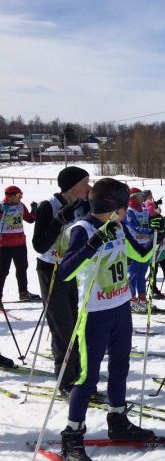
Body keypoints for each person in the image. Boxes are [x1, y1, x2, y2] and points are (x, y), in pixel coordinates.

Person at [57, 178, 159, 461]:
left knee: (120, 366)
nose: (129, 211)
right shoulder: (83, 229)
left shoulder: (117, 226)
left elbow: (141, 255)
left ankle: (117, 420)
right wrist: (90, 247)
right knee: (88, 377)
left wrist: (156, 234)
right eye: (126, 206)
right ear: (113, 207)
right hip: (94, 314)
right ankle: (72, 436)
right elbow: (64, 272)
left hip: (120, 308)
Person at [31, 166, 91, 393]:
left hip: (71, 270)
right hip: (50, 270)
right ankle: (65, 379)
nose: (88, 186)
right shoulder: (49, 205)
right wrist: (57, 222)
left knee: (76, 322)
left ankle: (76, 370)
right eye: (85, 182)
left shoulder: (82, 205)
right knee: (61, 326)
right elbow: (39, 245)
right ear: (73, 185)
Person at [0, 185, 40, 308]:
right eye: (18, 195)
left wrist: (34, 210)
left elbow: (30, 219)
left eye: (21, 195)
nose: (21, 197)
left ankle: (23, 292)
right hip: (4, 246)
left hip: (20, 244)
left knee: (22, 269)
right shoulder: (1, 207)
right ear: (10, 196)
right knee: (2, 271)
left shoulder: (20, 206)